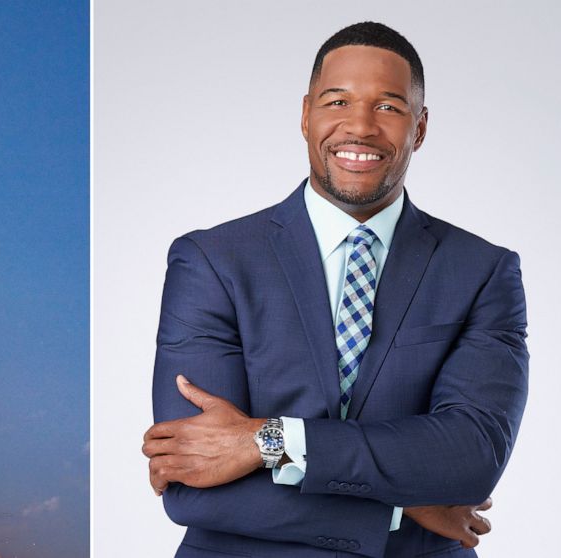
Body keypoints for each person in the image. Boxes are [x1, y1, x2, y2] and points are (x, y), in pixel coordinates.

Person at [141, 21, 528, 558]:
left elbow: (474, 457)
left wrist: (267, 441)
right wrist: (403, 503)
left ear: (419, 128)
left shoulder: (484, 271)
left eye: (389, 107)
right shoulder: (211, 261)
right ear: (305, 116)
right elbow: (190, 482)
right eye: (338, 101)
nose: (361, 127)